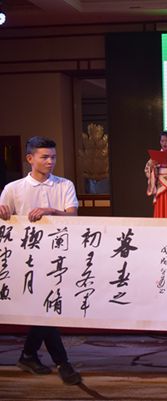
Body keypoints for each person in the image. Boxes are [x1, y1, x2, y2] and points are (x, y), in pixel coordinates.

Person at [0, 136, 82, 385]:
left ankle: (28, 355)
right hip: (26, 258)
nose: (50, 161)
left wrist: (51, 211)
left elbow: (73, 216)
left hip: (59, 255)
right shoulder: (13, 188)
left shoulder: (64, 185)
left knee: (45, 309)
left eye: (53, 157)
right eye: (44, 157)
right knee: (46, 309)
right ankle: (62, 363)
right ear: (30, 158)